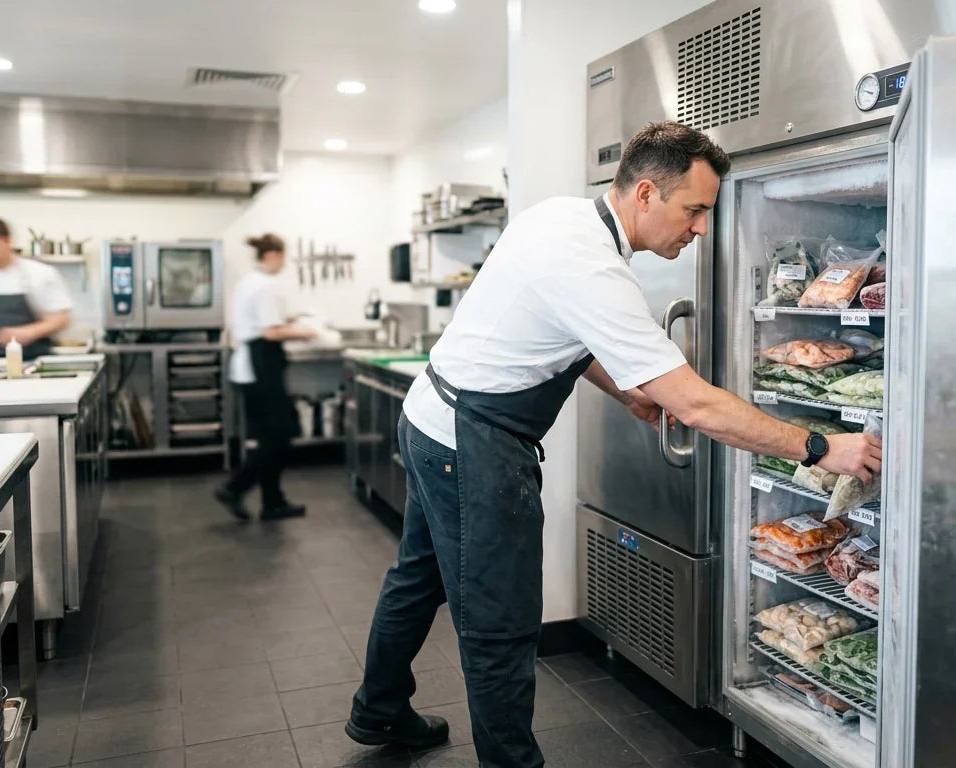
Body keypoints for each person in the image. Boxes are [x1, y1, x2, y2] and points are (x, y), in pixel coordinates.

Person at [345, 122, 883, 766]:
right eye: (696, 210)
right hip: (473, 440)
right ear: (648, 194)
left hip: (435, 416)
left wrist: (626, 389)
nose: (702, 228)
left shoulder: (562, 218)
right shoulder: (594, 264)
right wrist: (823, 447)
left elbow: (564, 333)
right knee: (500, 623)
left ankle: (377, 710)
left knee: (416, 578)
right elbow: (696, 402)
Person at [215, 234, 315, 521]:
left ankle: (272, 502)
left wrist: (290, 320)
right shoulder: (266, 286)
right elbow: (270, 332)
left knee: (271, 437)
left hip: (251, 367)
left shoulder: (250, 282)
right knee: (279, 437)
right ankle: (234, 487)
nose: (284, 263)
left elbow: (264, 324)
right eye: (283, 257)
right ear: (272, 255)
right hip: (261, 367)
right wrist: (307, 332)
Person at [0, 217, 72, 360]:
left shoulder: (40, 273)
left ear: (7, 242)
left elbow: (61, 318)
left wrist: (28, 333)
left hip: (36, 359)